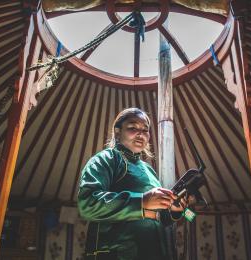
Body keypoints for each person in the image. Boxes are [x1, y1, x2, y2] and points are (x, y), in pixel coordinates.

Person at [78, 108, 187, 260]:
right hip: (115, 254)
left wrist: (174, 210)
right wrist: (142, 201)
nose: (140, 134)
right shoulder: (105, 159)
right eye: (132, 128)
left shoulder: (149, 170)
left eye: (145, 130)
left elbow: (158, 217)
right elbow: (88, 203)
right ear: (117, 132)